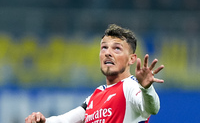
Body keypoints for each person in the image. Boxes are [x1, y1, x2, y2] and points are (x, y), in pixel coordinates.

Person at [25, 24, 164, 123]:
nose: (108, 53)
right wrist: (43, 121)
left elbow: (151, 108)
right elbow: (65, 120)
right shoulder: (94, 97)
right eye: (104, 47)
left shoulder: (130, 87)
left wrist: (146, 89)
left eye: (117, 48)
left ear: (131, 59)